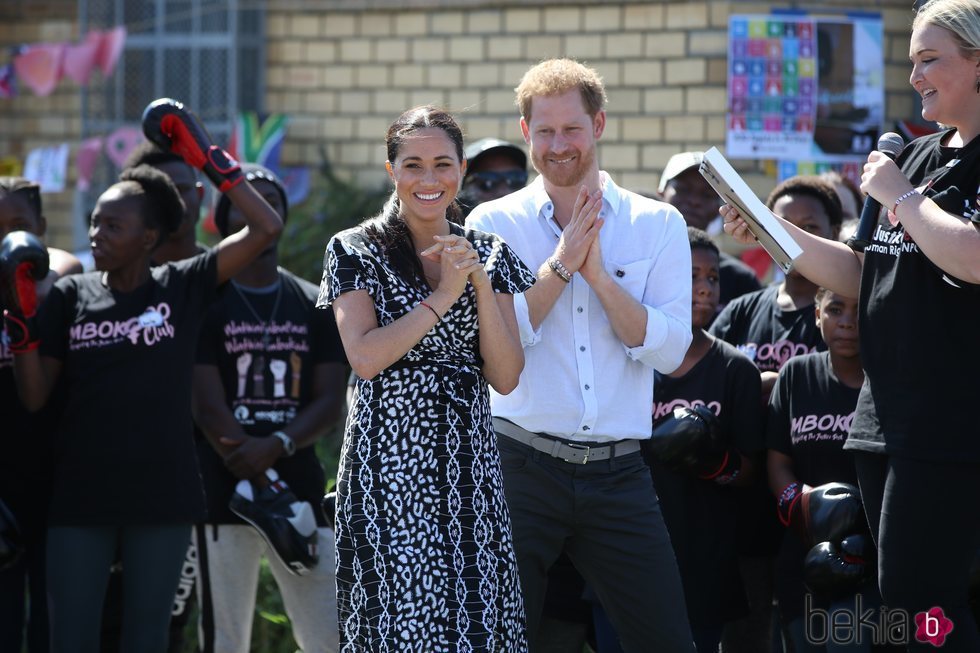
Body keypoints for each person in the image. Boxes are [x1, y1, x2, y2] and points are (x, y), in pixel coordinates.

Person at [721, 2, 980, 649]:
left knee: (928, 596)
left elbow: (972, 257)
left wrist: (900, 197)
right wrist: (768, 226)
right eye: (911, 60)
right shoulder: (916, 160)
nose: (916, 76)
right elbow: (864, 273)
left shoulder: (909, 180)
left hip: (951, 421)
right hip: (886, 416)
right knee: (901, 595)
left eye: (930, 60)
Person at [3, 99, 283, 653]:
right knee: (70, 641)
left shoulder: (183, 283)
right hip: (79, 500)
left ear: (149, 237)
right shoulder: (69, 296)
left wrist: (205, 154)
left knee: (148, 639)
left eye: (113, 225)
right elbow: (34, 396)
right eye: (93, 222)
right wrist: (21, 320)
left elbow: (266, 224)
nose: (96, 234)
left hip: (162, 496)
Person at [466, 57, 696, 653]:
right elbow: (496, 348)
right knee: (499, 639)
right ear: (525, 132)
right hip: (518, 465)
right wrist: (563, 266)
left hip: (619, 474)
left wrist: (601, 278)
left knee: (667, 638)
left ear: (598, 124)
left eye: (571, 129)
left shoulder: (658, 223)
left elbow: (671, 350)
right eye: (545, 131)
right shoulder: (492, 222)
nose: (558, 145)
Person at [318, 105, 534, 651]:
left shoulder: (489, 251)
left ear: (461, 169)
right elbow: (365, 357)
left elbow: (506, 376)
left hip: (469, 469)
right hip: (387, 471)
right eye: (413, 165)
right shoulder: (354, 249)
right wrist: (443, 296)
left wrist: (480, 284)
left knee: (478, 626)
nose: (429, 179)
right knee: (399, 627)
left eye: (442, 163)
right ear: (392, 171)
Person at [192, 164, 345, 652]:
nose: (261, 206)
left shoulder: (312, 300)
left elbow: (329, 399)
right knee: (224, 638)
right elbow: (203, 399)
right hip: (221, 489)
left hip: (296, 489)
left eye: (271, 198)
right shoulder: (204, 299)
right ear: (224, 216)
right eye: (244, 198)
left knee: (330, 632)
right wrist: (246, 457)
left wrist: (277, 445)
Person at [590, 227, 765, 653]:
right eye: (690, 276)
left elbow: (751, 471)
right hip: (620, 556)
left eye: (712, 278)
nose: (704, 289)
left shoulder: (734, 368)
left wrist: (713, 462)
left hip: (702, 561)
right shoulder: (618, 353)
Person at [710, 175, 842, 653]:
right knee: (744, 638)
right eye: (782, 223)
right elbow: (711, 382)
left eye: (809, 226)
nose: (792, 235)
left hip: (812, 512)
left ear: (831, 231)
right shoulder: (742, 311)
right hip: (743, 510)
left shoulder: (844, 315)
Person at [766, 288, 877, 652]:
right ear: (817, 315)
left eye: (859, 310)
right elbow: (777, 460)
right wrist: (801, 508)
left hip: (872, 561)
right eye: (835, 309)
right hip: (801, 556)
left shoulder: (893, 381)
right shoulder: (796, 374)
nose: (846, 321)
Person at [0, 177, 81, 653]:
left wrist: (20, 268)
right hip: (3, 482)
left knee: (52, 622)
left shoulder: (59, 282)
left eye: (19, 227)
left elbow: (64, 268)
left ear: (42, 228)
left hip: (54, 476)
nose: (7, 239)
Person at [656, 151, 761, 315]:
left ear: (719, 206)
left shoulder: (740, 280)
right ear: (661, 193)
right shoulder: (640, 263)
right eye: (683, 190)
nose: (695, 201)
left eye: (707, 194)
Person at [123, 140, 207, 265]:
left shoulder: (228, 270)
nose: (177, 202)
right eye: (162, 192)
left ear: (199, 193)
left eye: (182, 189)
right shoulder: (116, 280)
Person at [458, 137, 529, 217]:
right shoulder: (445, 229)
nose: (504, 192)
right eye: (487, 182)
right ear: (463, 187)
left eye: (515, 179)